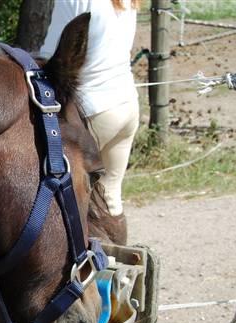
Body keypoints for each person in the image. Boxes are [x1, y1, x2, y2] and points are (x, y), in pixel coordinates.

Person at [40, 0, 141, 221]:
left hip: (93, 109)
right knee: (109, 198)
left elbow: (52, 59)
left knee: (61, 198)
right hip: (127, 104)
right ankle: (115, 252)